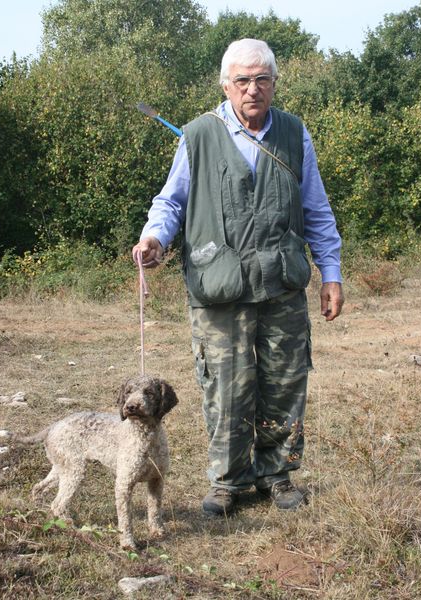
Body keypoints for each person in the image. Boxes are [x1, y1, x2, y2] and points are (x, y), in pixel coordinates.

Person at [132, 38, 344, 517]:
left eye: (262, 79)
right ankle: (228, 481)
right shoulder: (197, 135)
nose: (253, 89)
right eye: (242, 80)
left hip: (282, 284)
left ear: (274, 83)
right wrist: (154, 238)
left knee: (284, 382)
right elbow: (171, 201)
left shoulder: (293, 133)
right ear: (225, 85)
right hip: (219, 287)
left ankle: (277, 476)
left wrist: (330, 273)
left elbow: (316, 209)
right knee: (225, 386)